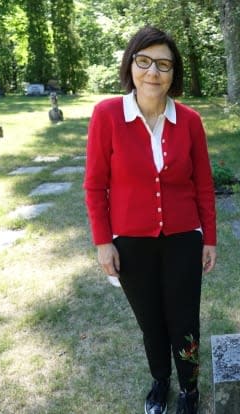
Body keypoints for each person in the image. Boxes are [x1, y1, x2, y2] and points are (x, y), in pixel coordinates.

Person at [83, 26, 216, 414]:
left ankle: (189, 390)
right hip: (131, 240)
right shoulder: (107, 115)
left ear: (174, 73)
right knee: (150, 320)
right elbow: (94, 186)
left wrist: (209, 238)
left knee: (184, 319)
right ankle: (161, 381)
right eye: (144, 62)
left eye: (163, 65)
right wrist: (103, 242)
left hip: (183, 238)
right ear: (131, 64)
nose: (153, 73)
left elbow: (204, 185)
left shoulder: (189, 120)